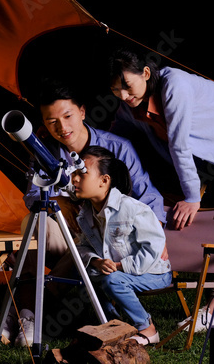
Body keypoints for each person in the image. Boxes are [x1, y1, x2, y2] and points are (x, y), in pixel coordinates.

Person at [106, 46, 214, 330]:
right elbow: (114, 139)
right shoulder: (129, 107)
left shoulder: (175, 86)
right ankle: (188, 289)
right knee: (203, 222)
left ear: (146, 73)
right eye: (116, 90)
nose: (124, 96)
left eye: (127, 85)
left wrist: (191, 197)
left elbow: (179, 144)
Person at [8, 80, 167, 347]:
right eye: (52, 121)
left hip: (111, 243)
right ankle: (28, 313)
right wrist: (64, 201)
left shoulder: (118, 149)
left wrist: (159, 238)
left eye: (67, 116)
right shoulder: (45, 153)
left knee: (82, 253)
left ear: (82, 112)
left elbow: (148, 197)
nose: (62, 127)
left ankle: (32, 309)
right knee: (33, 222)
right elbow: (33, 197)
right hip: (74, 232)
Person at [73, 146, 172, 346]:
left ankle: (147, 328)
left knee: (112, 281)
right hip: (115, 272)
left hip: (154, 272)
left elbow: (153, 247)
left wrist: (119, 267)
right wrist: (96, 261)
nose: (75, 178)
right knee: (85, 277)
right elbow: (82, 246)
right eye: (74, 173)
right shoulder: (85, 214)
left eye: (82, 173)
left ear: (104, 181)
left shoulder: (132, 208)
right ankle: (113, 325)